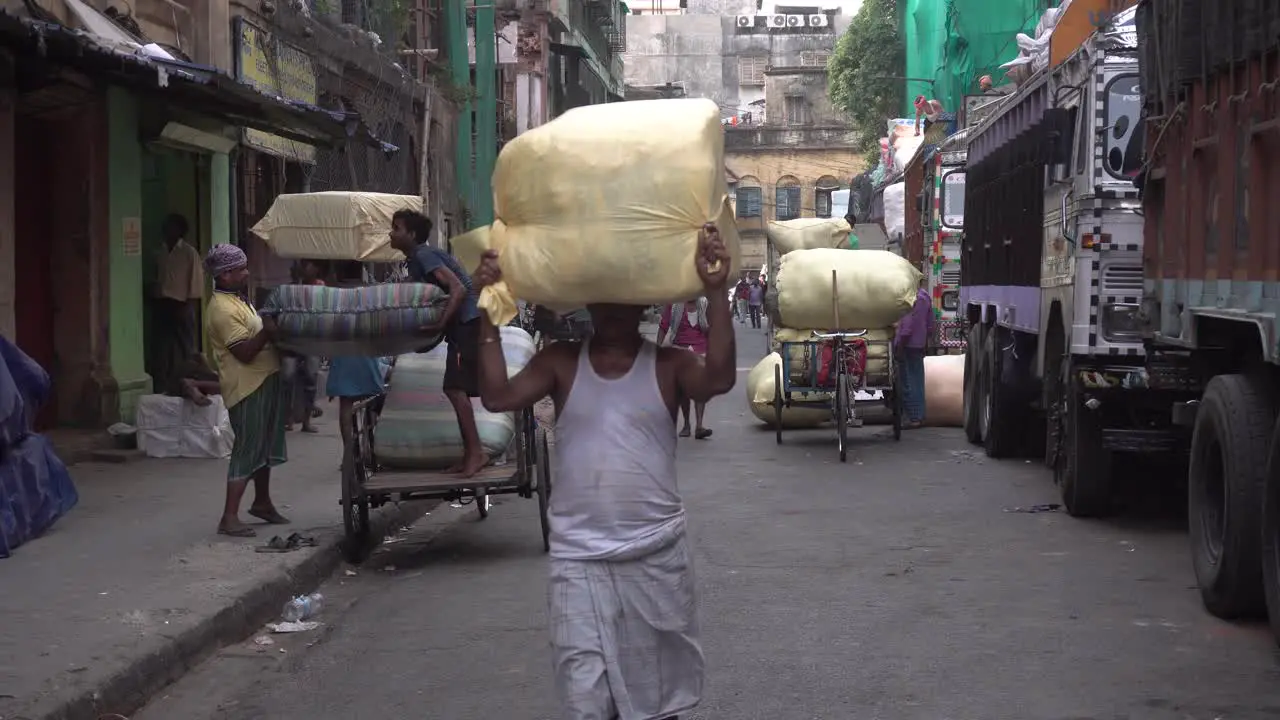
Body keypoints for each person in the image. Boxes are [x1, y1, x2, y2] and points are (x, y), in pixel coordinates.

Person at [472, 223, 736, 720]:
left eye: (626, 300)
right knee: (586, 698)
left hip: (655, 555)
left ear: (644, 304)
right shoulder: (560, 363)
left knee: (657, 702)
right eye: (604, 300)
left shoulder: (670, 364)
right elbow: (496, 397)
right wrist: (487, 314)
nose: (615, 311)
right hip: (579, 560)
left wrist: (717, 290)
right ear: (587, 304)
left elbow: (719, 378)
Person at [388, 209, 486, 477]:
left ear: (411, 234)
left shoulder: (424, 255)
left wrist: (440, 324)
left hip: (468, 321)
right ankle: (470, 454)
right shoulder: (416, 260)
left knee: (455, 388)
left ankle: (476, 453)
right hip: (463, 325)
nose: (391, 233)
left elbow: (458, 288)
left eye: (396, 228)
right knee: (455, 388)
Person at [203, 244, 289, 537]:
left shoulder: (239, 299)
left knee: (263, 447)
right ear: (225, 275)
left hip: (265, 379)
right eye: (241, 269)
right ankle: (229, 517)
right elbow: (246, 353)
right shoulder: (221, 310)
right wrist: (268, 327)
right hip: (246, 386)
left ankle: (262, 502)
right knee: (247, 448)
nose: (247, 272)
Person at [153, 213, 205, 394]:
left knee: (186, 346)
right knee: (163, 347)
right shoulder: (161, 251)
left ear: (180, 230)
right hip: (163, 303)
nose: (168, 230)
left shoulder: (189, 253)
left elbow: (196, 281)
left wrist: (189, 304)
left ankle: (191, 382)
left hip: (182, 303)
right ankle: (165, 383)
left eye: (172, 226)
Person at [658, 296, 713, 439]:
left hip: (701, 350)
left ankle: (699, 425)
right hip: (679, 349)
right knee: (682, 391)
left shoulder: (705, 304)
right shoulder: (674, 305)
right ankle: (687, 424)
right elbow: (664, 326)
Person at [283, 259, 325, 433]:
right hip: (292, 339)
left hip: (311, 339)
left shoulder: (319, 287)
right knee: (287, 377)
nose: (302, 269)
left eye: (307, 265)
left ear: (316, 268)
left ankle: (306, 420)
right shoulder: (290, 288)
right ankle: (288, 418)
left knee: (311, 377)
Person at [894, 278, 933, 429]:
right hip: (919, 344)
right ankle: (920, 415)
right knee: (918, 380)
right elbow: (930, 324)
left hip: (907, 345)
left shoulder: (910, 298)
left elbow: (907, 327)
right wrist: (926, 341)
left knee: (907, 382)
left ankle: (913, 417)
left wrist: (899, 344)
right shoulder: (926, 297)